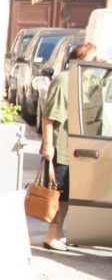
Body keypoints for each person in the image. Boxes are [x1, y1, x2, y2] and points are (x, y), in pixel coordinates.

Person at [39, 41, 98, 252]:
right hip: (62, 147)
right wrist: (48, 145)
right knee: (58, 192)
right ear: (79, 60)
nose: (96, 63)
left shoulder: (87, 82)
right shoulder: (64, 80)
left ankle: (60, 232)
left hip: (79, 148)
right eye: (93, 59)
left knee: (69, 195)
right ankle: (51, 234)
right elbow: (49, 117)